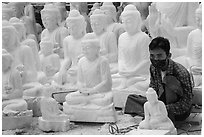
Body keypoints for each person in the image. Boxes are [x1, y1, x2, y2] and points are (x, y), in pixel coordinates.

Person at [125, 37, 193, 124]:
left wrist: (164, 108)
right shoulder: (153, 67)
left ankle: (161, 116)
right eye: (152, 56)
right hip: (159, 104)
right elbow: (153, 87)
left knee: (169, 80)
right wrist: (152, 103)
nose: (155, 59)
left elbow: (187, 102)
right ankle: (154, 114)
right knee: (132, 99)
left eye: (159, 55)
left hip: (176, 110)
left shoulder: (181, 72)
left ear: (168, 55)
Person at [63, 33, 116, 122]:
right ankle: (87, 100)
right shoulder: (81, 61)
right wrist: (81, 88)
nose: (85, 51)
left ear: (96, 49)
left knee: (104, 100)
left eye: (88, 48)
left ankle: (86, 101)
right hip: (85, 93)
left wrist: (93, 90)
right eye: (83, 49)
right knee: (69, 98)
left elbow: (106, 82)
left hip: (99, 93)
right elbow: (79, 81)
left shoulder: (102, 61)